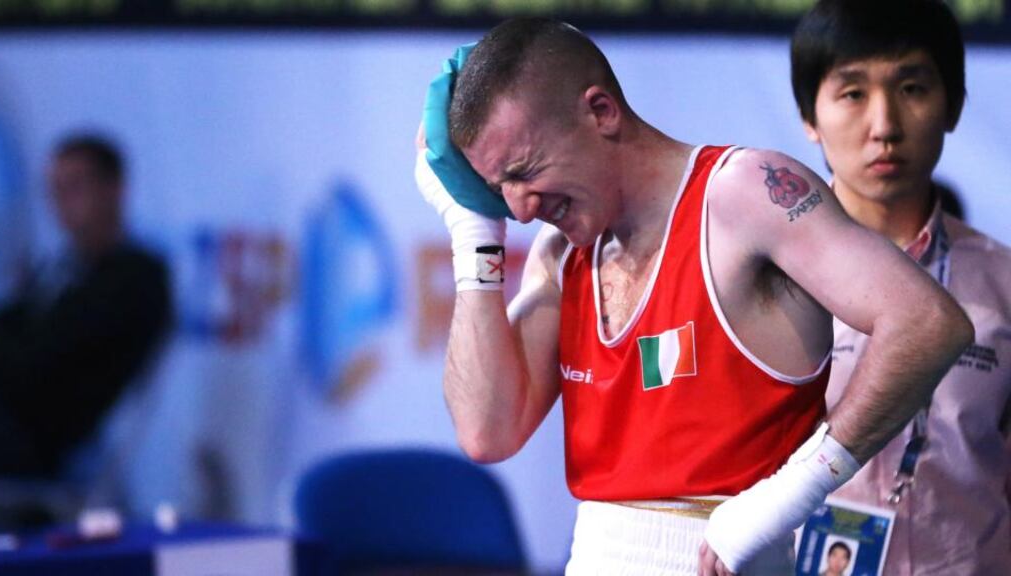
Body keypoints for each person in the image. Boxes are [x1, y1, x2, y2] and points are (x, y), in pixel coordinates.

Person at [415, 18, 973, 575]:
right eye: (497, 190)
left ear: (601, 112)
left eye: (525, 172)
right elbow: (487, 431)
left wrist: (792, 491)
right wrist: (474, 235)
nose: (519, 209)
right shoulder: (559, 255)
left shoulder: (746, 194)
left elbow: (927, 321)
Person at [790, 1, 1011, 574]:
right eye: (853, 94)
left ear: (954, 105)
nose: (884, 126)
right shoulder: (760, 278)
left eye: (912, 87)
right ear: (809, 115)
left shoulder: (1003, 282)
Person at [0, 133, 172, 480]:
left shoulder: (136, 277)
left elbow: (39, 360)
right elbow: (7, 328)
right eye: (54, 190)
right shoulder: (63, 267)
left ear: (115, 188)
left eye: (74, 187)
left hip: (35, 438)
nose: (61, 203)